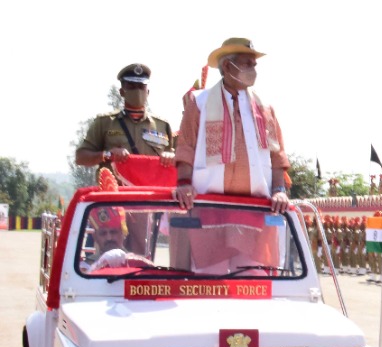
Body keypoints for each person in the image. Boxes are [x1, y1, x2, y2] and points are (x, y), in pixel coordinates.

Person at [173, 38, 290, 212]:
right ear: (227, 66)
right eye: (247, 64)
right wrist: (183, 183)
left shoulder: (265, 107)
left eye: (254, 65)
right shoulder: (198, 103)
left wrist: (279, 191)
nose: (253, 70)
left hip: (257, 207)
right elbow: (186, 149)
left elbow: (277, 155)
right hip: (207, 204)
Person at [76, 63, 175, 255]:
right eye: (131, 87)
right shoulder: (105, 123)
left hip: (145, 206)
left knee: (140, 259)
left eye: (141, 87)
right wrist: (107, 154)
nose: (137, 91)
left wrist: (171, 156)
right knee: (108, 256)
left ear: (148, 91)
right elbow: (81, 157)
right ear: (122, 91)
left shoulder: (163, 126)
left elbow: (179, 162)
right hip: (112, 203)